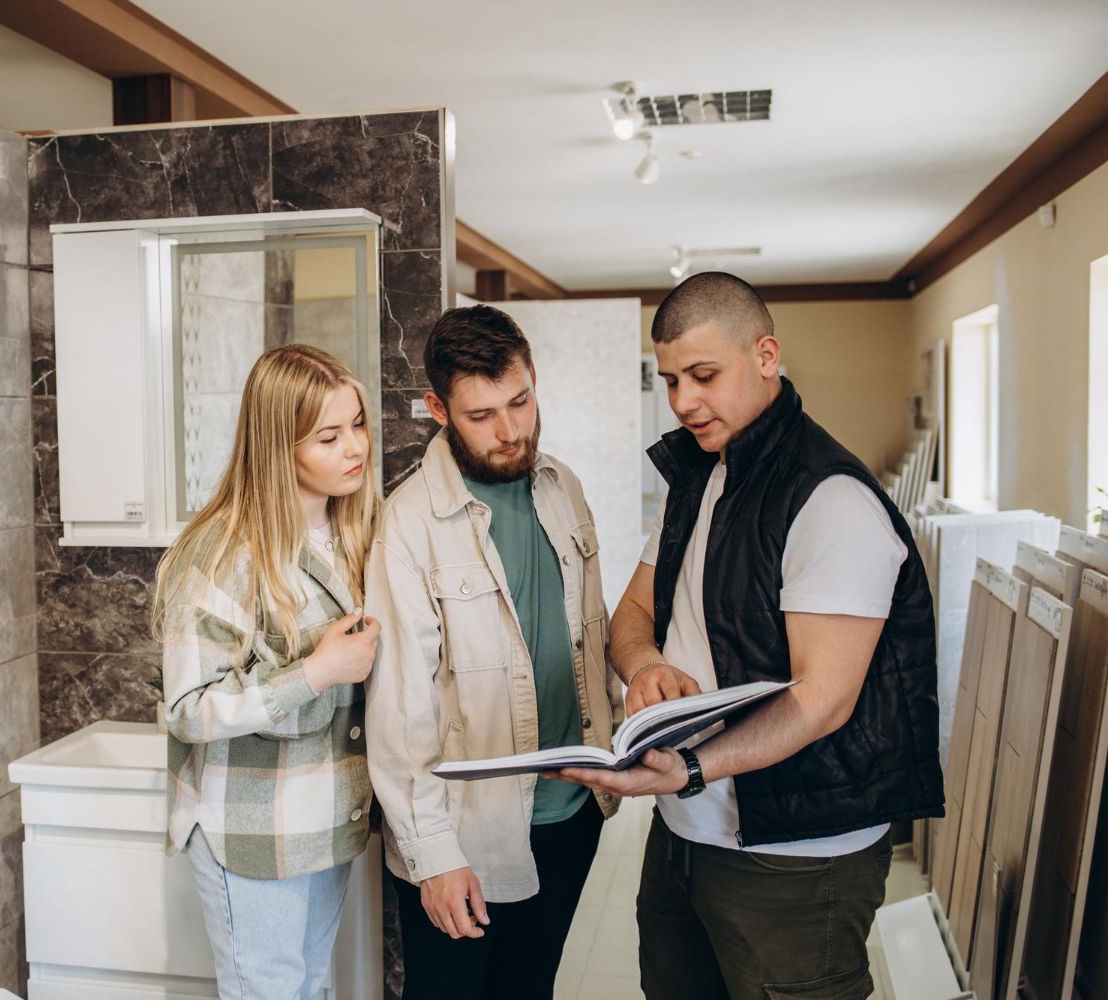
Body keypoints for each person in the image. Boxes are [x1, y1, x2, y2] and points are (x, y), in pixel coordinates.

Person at [558, 272, 943, 1000]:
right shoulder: (698, 476)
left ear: (766, 356)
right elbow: (632, 616)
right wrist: (644, 668)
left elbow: (822, 700)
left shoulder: (830, 500)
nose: (682, 402)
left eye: (704, 376)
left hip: (796, 855)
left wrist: (695, 767)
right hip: (685, 837)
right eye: (670, 380)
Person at [364, 305, 621, 1000]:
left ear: (533, 379)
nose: (510, 431)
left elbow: (586, 633)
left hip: (571, 812)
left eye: (520, 401)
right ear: (437, 409)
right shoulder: (408, 524)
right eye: (481, 415)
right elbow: (399, 712)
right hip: (468, 835)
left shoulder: (563, 486)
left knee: (529, 990)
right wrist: (433, 857)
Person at [156, 344, 383, 1000]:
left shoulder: (352, 534)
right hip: (252, 828)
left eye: (358, 424)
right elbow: (189, 708)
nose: (354, 448)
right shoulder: (224, 553)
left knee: (308, 987)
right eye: (328, 436)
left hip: (327, 816)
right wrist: (313, 672)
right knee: (269, 992)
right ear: (278, 446)